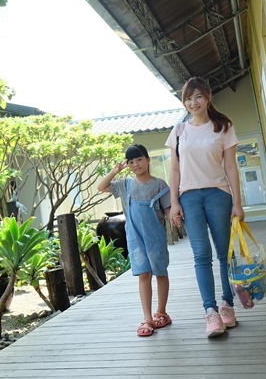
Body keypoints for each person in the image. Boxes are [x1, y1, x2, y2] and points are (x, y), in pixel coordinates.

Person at [165, 76, 245, 338]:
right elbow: (174, 170)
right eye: (188, 98)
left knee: (224, 253)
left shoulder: (223, 126)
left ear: (208, 96)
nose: (193, 102)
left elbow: (231, 166)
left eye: (198, 96)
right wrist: (174, 202)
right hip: (189, 197)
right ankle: (210, 312)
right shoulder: (179, 131)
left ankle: (227, 305)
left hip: (218, 195)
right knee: (201, 254)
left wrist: (237, 202)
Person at [98, 143, 172, 337]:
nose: (136, 164)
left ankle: (161, 312)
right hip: (135, 237)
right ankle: (147, 318)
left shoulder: (160, 185)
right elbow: (101, 187)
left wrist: (177, 217)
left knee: (160, 272)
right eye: (131, 161)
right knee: (143, 274)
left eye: (139, 159)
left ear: (148, 160)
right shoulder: (125, 184)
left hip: (155, 237)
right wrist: (115, 171)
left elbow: (168, 210)